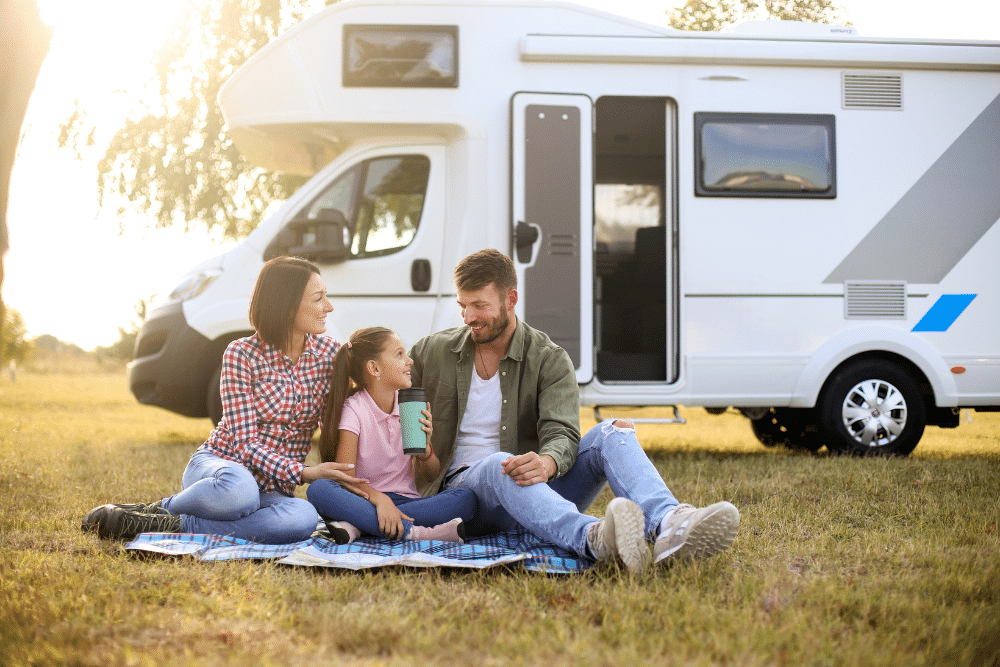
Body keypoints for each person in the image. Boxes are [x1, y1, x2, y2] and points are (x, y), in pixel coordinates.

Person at [409, 249, 740, 574]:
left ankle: (670, 524)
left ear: (510, 299)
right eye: (462, 306)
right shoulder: (431, 352)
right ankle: (594, 539)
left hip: (535, 491)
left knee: (613, 430)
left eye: (479, 306)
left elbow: (563, 432)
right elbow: (384, 400)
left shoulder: (548, 358)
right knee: (501, 464)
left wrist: (546, 462)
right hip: (468, 500)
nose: (468, 318)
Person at [81, 256, 368, 543]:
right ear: (288, 305)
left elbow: (353, 411)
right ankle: (158, 509)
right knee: (239, 494)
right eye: (319, 299)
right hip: (222, 470)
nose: (328, 307)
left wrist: (371, 364)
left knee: (302, 517)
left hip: (272, 490)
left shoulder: (330, 354)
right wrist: (304, 472)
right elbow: (245, 445)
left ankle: (172, 524)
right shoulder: (241, 354)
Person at [305, 327, 477, 543]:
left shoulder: (410, 406)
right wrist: (380, 500)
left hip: (407, 503)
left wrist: (425, 452)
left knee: (466, 498)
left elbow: (430, 475)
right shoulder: (355, 409)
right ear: (374, 368)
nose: (410, 361)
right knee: (320, 489)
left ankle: (361, 525)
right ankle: (414, 532)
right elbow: (345, 477)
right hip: (365, 498)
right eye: (399, 354)